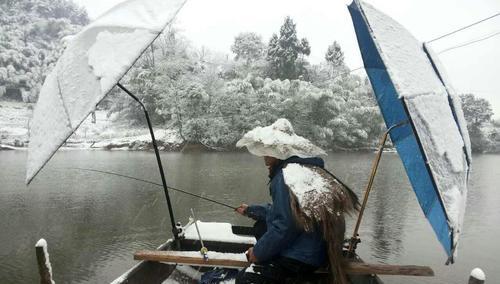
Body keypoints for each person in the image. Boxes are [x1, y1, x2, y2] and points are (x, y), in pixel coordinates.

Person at [234, 118, 359, 284]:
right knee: (260, 226)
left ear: (279, 152)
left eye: (268, 149)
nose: (264, 155)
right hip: (316, 250)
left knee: (245, 279)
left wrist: (257, 252)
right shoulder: (305, 169)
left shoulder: (284, 177)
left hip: (301, 259)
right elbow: (287, 212)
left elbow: (285, 226)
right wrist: (252, 210)